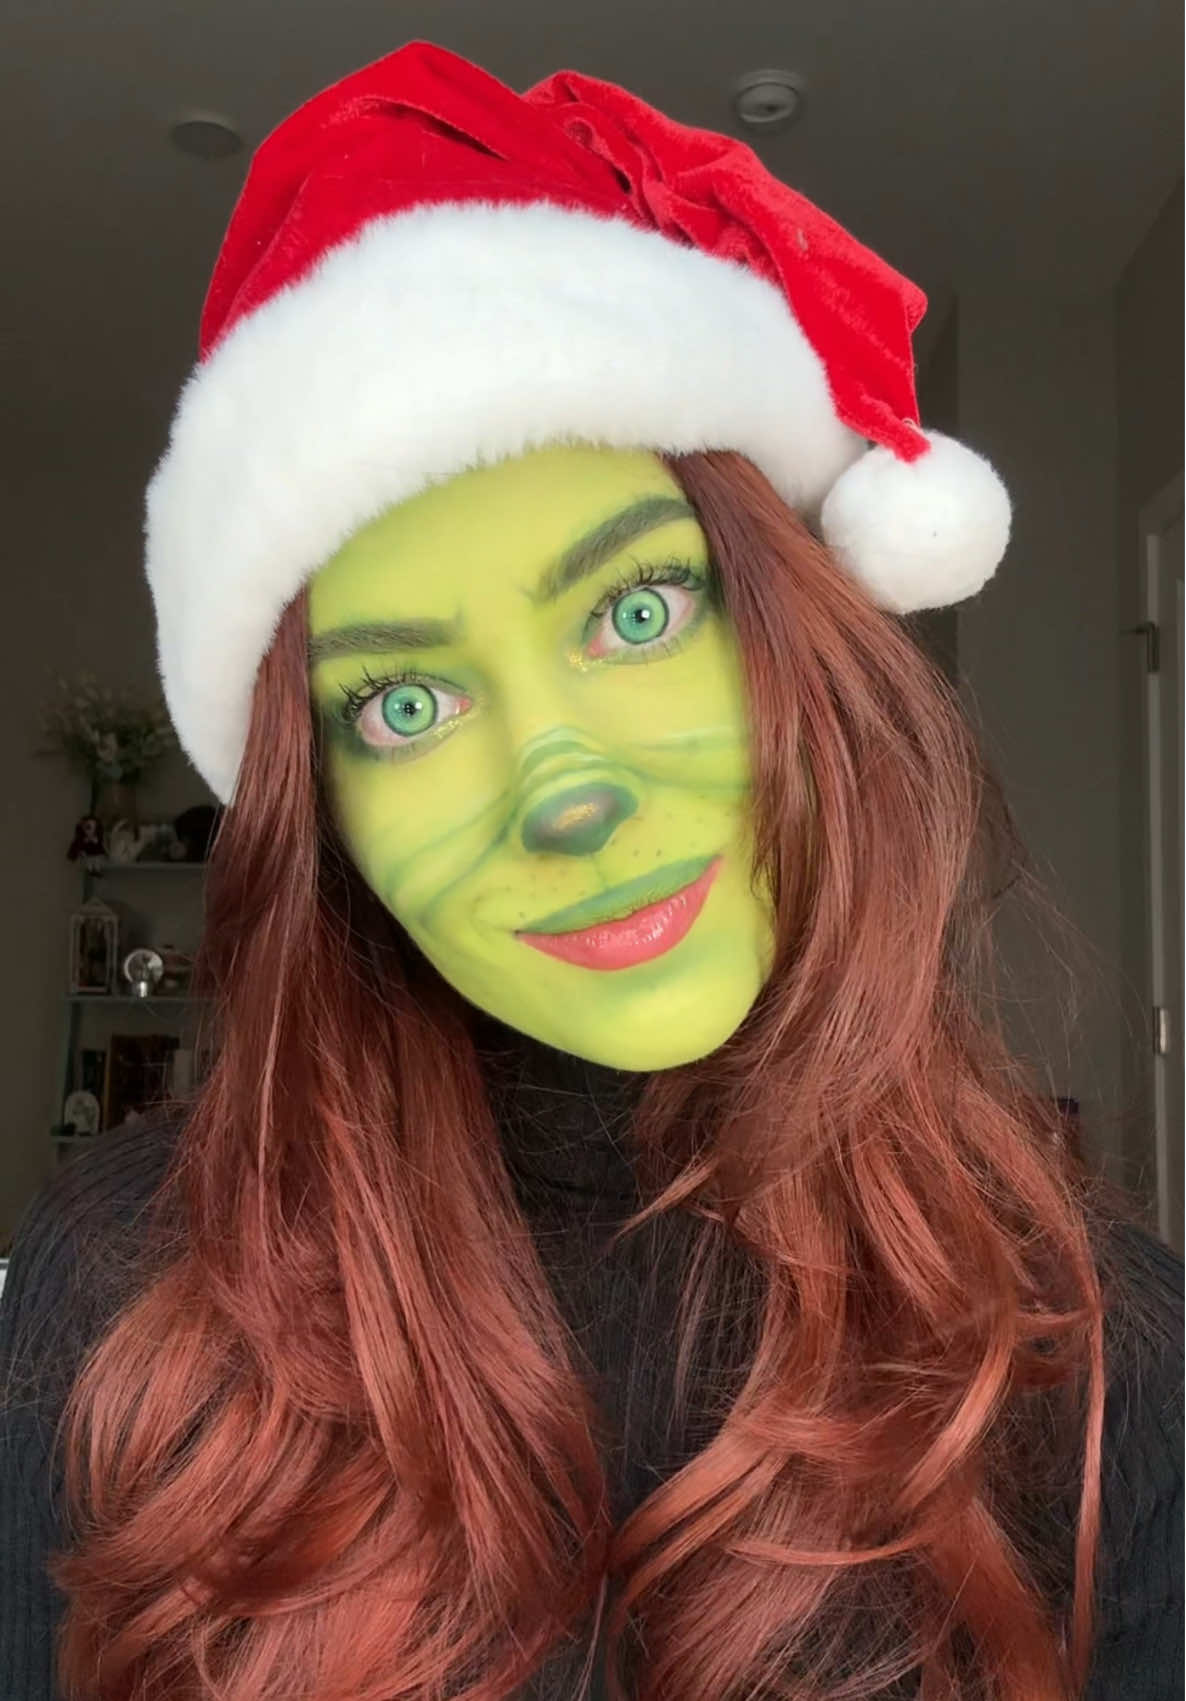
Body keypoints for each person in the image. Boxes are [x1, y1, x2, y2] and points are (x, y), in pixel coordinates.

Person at [1, 41, 1180, 1701]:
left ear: (795, 637)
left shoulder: (1093, 1345)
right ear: (323, 817)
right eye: (404, 704)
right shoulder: (127, 1286)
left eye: (635, 611)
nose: (562, 796)